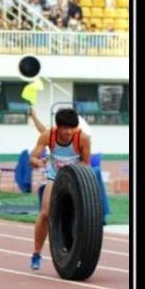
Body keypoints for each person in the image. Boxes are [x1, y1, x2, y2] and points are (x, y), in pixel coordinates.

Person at [28, 108, 91, 270]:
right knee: (45, 214)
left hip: (76, 179)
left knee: (79, 216)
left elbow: (86, 162)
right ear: (58, 127)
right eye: (65, 128)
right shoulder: (48, 135)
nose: (69, 132)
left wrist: (72, 170)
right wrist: (38, 162)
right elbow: (33, 157)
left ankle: (79, 253)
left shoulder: (83, 138)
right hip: (54, 177)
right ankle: (36, 254)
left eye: (72, 128)